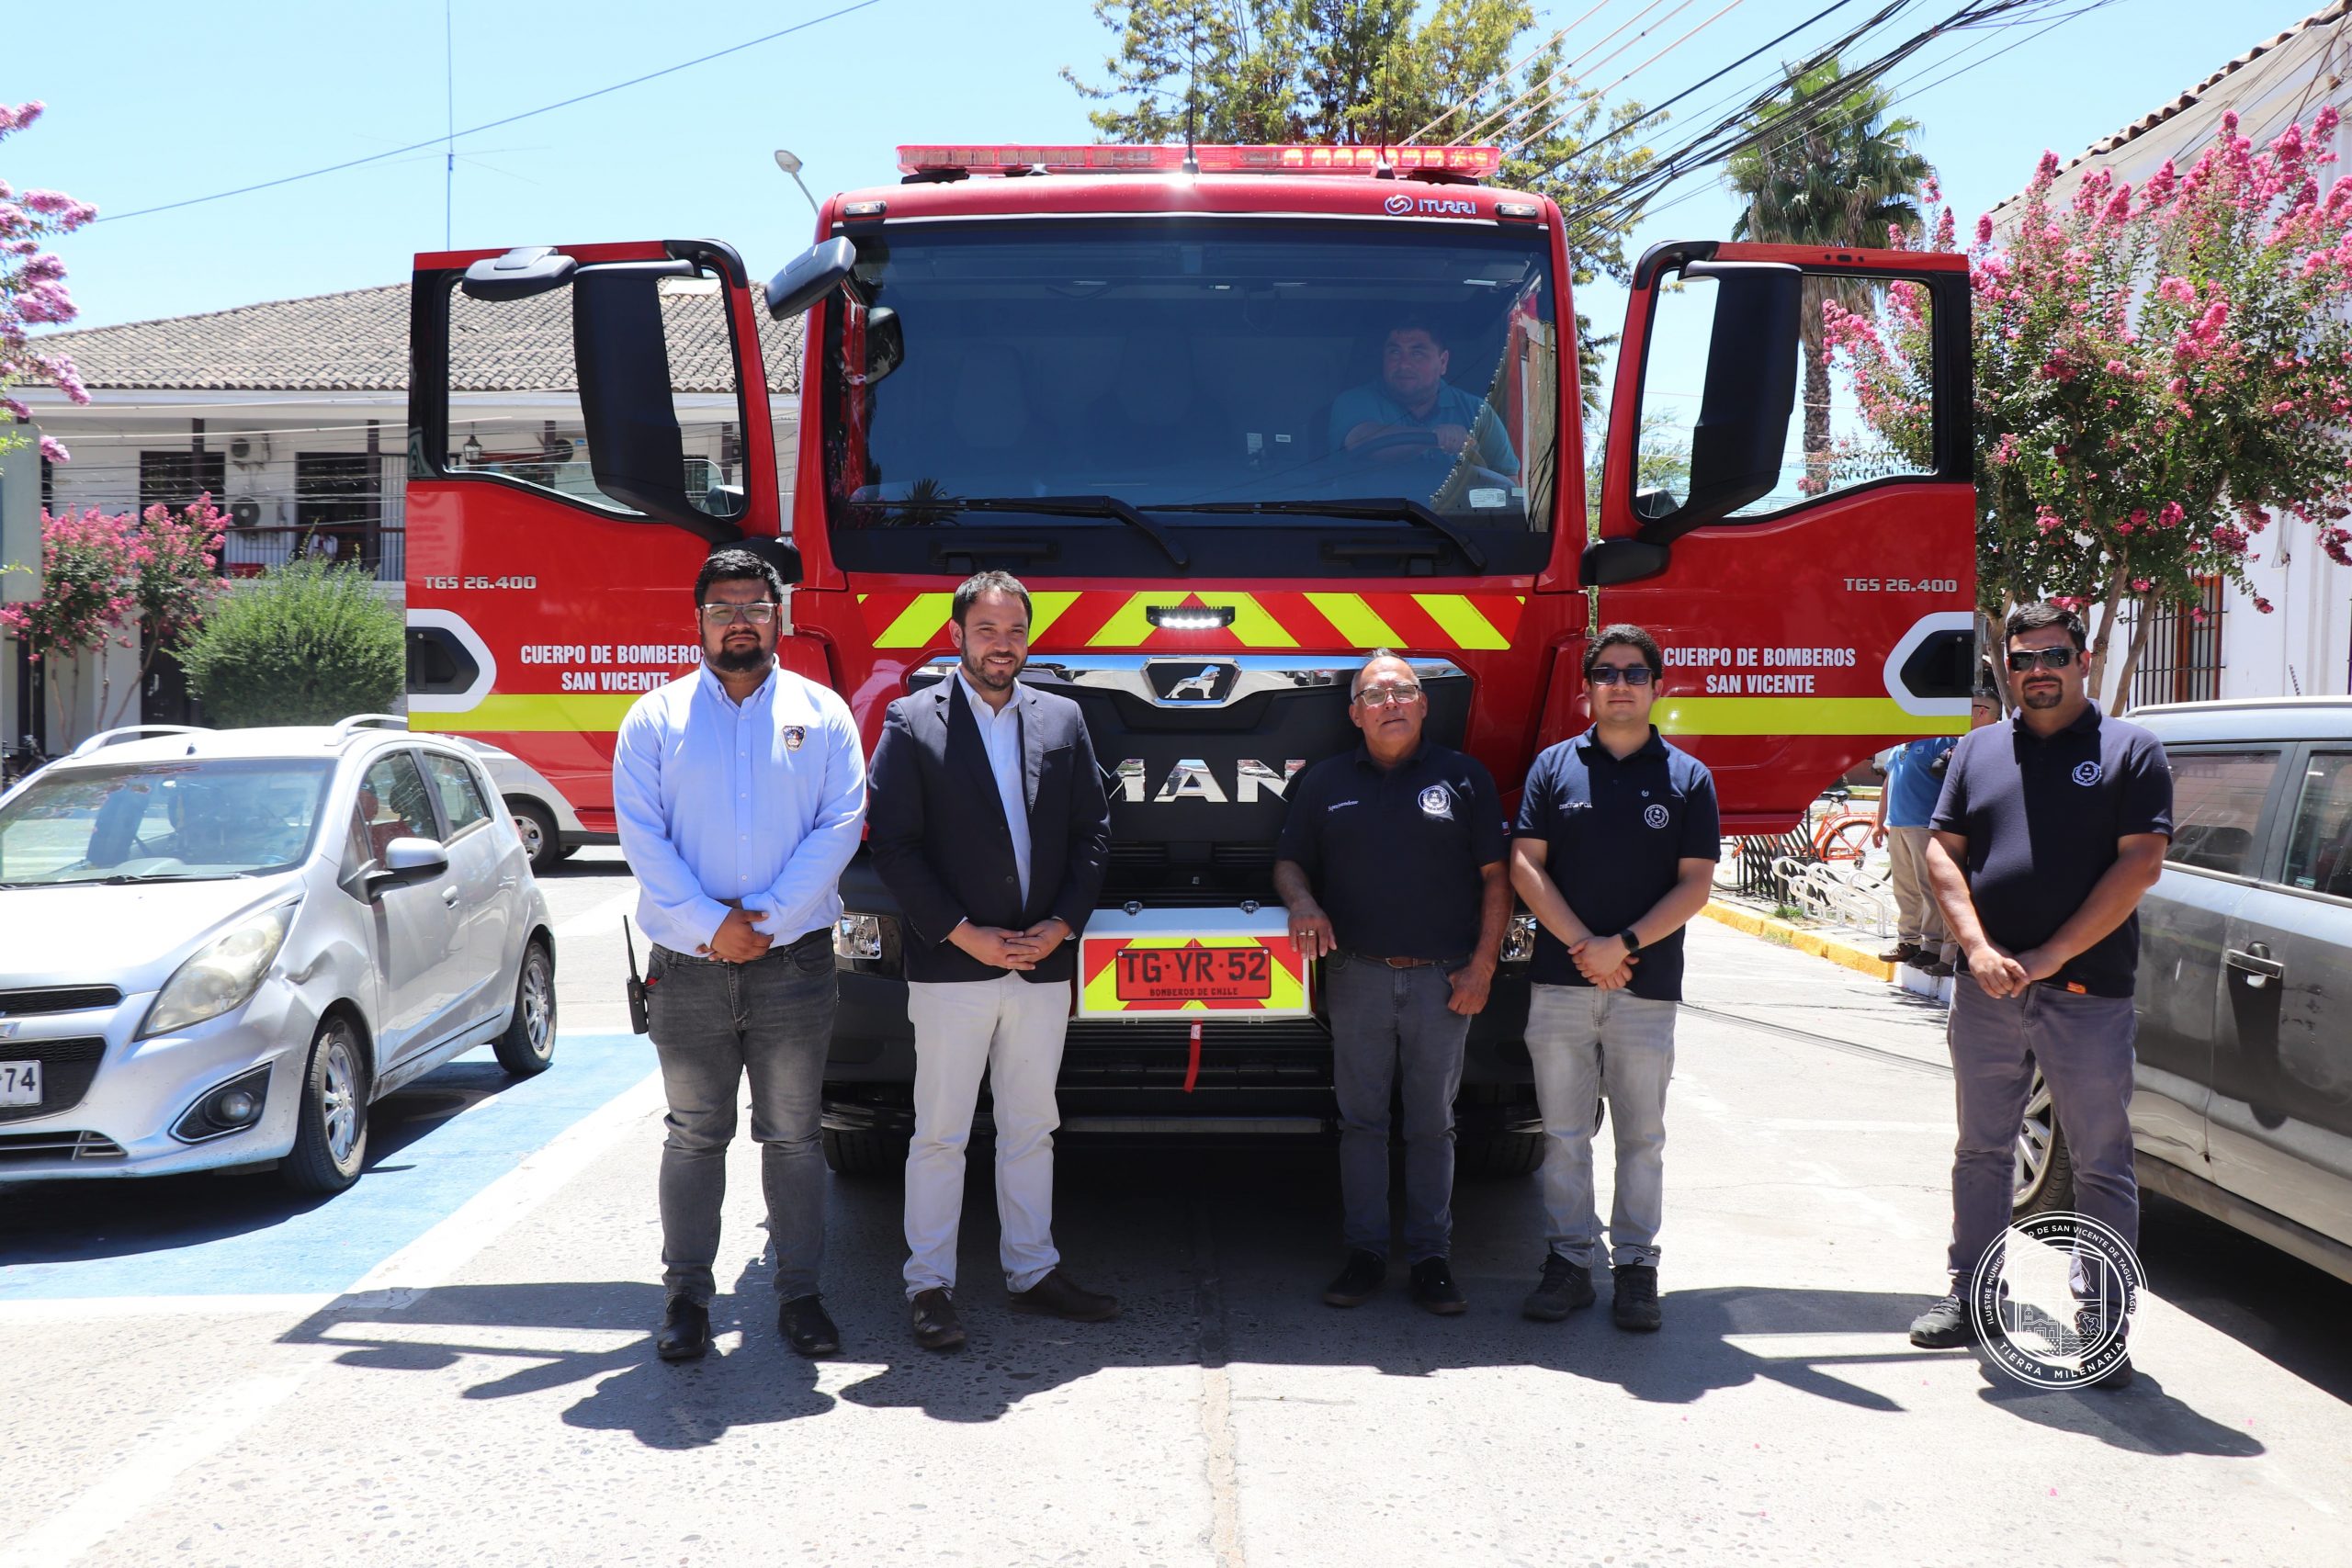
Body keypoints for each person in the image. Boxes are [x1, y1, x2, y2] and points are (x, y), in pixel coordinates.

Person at [612, 546, 867, 1364]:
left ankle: (799, 1296)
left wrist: (769, 918)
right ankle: (686, 1299)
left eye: (754, 607)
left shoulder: (823, 713)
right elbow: (641, 838)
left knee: (793, 1136)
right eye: (722, 609)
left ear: (779, 615)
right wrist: (707, 924)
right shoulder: (653, 719)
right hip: (686, 968)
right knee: (693, 1134)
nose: (739, 621)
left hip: (792, 965)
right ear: (698, 621)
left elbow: (841, 824)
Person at [1907, 603, 2171, 1390]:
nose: (2038, 671)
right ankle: (1972, 1296)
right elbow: (1941, 854)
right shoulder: (1979, 750)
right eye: (2022, 661)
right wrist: (1979, 948)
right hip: (1987, 987)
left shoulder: (2131, 750)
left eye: (2053, 655)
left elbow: (2141, 865)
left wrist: (2051, 953)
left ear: (2083, 658)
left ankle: (2103, 1322)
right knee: (1981, 1149)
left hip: (2088, 990)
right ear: (2007, 667)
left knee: (2100, 1160)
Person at [866, 570, 1116, 1351]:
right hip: (953, 967)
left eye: (1014, 631)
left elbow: (1093, 833)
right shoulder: (912, 721)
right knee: (940, 1132)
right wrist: (960, 931)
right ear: (957, 636)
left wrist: (1063, 924)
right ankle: (929, 1285)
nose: (1001, 645)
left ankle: (1033, 1271)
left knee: (1031, 1124)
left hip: (1040, 963)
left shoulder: (1064, 718)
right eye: (987, 630)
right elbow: (894, 847)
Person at [1275, 649, 1510, 1314]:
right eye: (1375, 695)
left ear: (1424, 703)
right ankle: (1366, 1253)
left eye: (1403, 690)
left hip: (1445, 980)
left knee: (1434, 1123)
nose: (1391, 703)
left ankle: (1433, 1258)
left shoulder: (1464, 779)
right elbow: (1290, 862)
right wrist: (1302, 902)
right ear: (1354, 712)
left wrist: (1484, 964)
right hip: (1357, 976)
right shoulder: (1325, 781)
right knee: (1362, 1122)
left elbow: (1498, 879)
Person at [1509, 625, 1719, 1332]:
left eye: (1634, 672)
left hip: (1646, 985)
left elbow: (1695, 886)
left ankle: (1636, 1268)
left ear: (1659, 686)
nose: (1620, 683)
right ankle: (1569, 1263)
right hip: (1561, 980)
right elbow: (1525, 865)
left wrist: (1622, 945)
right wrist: (1583, 944)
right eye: (1606, 672)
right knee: (1565, 1134)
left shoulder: (1689, 777)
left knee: (1642, 1135)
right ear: (1588, 687)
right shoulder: (1552, 767)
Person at [1328, 318, 1519, 477]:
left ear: (1443, 362)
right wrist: (1434, 437)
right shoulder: (1353, 401)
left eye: (1417, 354)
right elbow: (1362, 439)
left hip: (1454, 522)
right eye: (1394, 352)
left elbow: (1509, 485)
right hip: (1365, 518)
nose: (1403, 365)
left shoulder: (1477, 411)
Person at [1874, 732, 1961, 977]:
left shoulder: (1940, 740)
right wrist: (1878, 822)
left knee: (1929, 889)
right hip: (1898, 825)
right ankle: (1908, 942)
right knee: (1904, 889)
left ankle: (1932, 946)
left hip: (1925, 825)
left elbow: (1950, 782)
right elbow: (1888, 784)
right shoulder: (1898, 745)